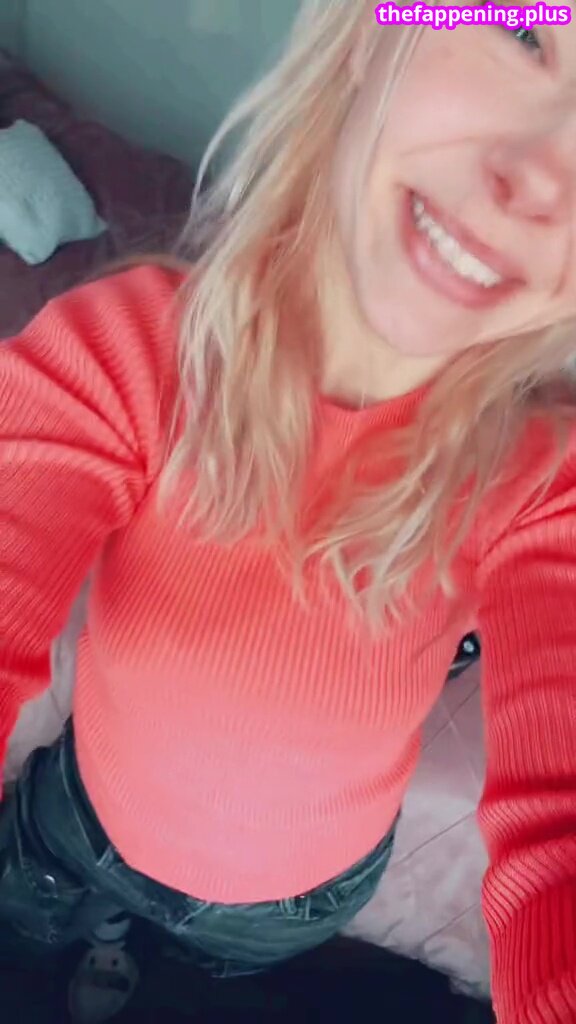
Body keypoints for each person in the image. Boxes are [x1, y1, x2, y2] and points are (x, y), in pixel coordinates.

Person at [1, 1, 575, 1021]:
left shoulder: (540, 487)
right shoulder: (122, 358)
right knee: (37, 920)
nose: (537, 180)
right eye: (524, 30)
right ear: (369, 30)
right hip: (82, 817)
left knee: (197, 975)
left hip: (292, 903)